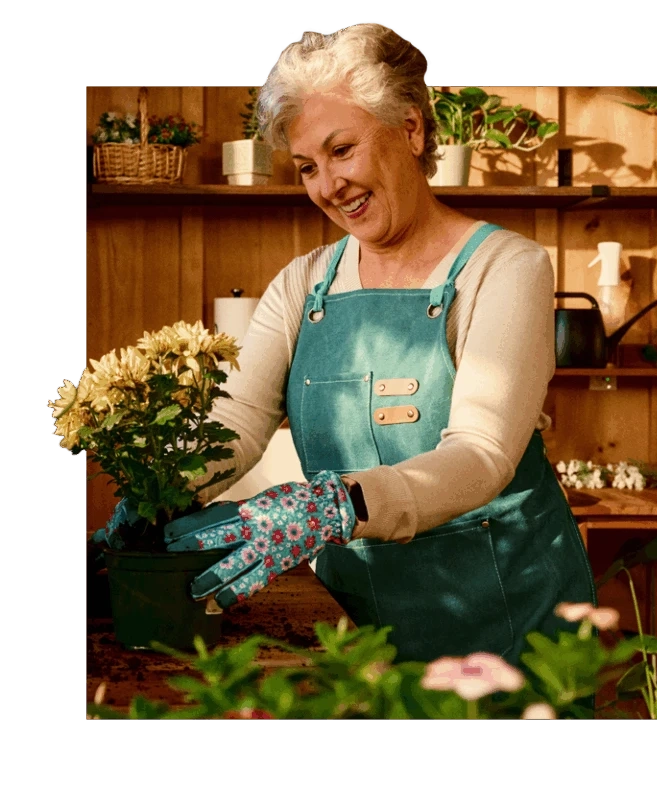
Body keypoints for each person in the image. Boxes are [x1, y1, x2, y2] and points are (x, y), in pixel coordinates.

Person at [133, 21, 597, 667]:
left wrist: (337, 505)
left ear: (409, 130)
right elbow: (237, 418)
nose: (328, 185)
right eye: (307, 167)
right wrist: (160, 486)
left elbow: (482, 453)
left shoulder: (504, 266)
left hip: (504, 614)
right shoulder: (302, 285)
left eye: (342, 149)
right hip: (357, 618)